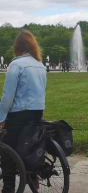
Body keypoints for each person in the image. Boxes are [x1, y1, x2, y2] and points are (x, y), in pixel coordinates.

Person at [0, 30, 47, 192]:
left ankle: (8, 187)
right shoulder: (40, 65)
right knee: (27, 145)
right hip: (37, 111)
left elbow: (8, 96)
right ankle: (32, 176)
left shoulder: (16, 65)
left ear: (17, 46)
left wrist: (1, 117)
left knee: (6, 149)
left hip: (21, 112)